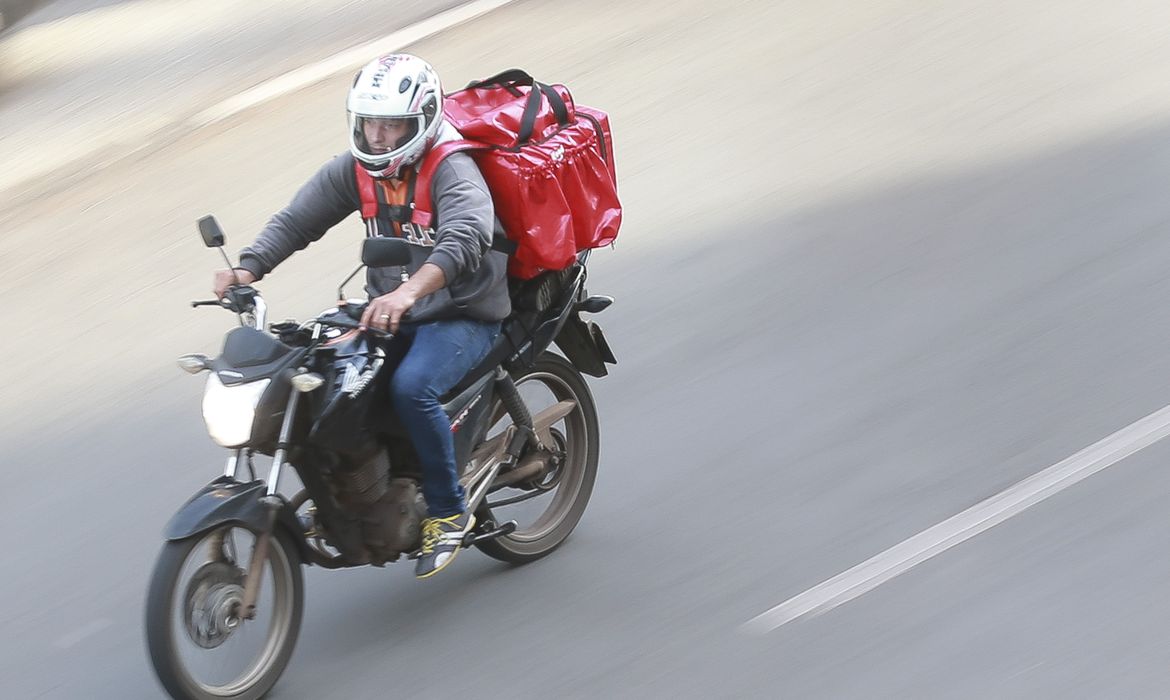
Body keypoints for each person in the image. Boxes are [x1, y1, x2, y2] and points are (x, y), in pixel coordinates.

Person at [213, 53, 510, 578]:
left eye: (392, 123)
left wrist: (410, 293)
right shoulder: (357, 169)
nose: (377, 136)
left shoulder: (451, 168)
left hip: (461, 311)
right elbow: (300, 218)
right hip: (386, 308)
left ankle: (446, 510)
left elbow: (466, 237)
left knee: (411, 387)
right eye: (369, 122)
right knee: (319, 373)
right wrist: (248, 269)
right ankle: (353, 487)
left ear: (420, 122)